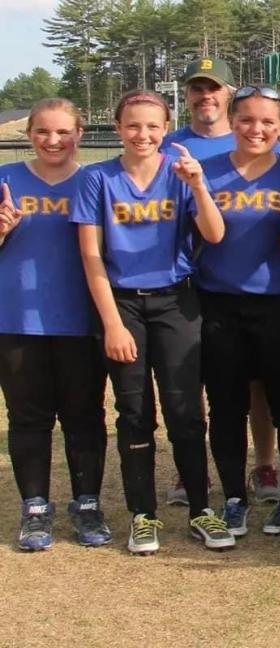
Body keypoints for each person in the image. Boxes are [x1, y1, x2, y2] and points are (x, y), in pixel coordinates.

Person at [71, 89, 233, 554]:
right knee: (135, 413)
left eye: (153, 126)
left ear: (167, 129)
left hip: (176, 302)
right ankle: (143, 515)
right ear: (118, 128)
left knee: (185, 412)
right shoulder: (97, 178)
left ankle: (202, 509)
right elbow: (91, 255)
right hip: (121, 305)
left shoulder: (180, 173)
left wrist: (199, 184)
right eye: (133, 125)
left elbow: (215, 233)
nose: (143, 134)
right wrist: (113, 323)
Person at [196, 85, 280, 538]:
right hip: (218, 302)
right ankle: (233, 497)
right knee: (227, 406)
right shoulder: (203, 172)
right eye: (246, 119)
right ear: (231, 121)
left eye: (268, 121)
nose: (257, 129)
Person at [162, 56, 280, 505]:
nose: (205, 96)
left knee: (257, 387)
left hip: (262, 288)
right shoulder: (171, 146)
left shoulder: (265, 145)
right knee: (196, 381)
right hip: (195, 282)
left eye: (214, 88)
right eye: (197, 88)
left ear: (229, 96)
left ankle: (264, 463)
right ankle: (187, 469)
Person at [0, 98, 109, 551]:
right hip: (17, 319)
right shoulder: (6, 179)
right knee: (28, 418)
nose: (52, 140)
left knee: (85, 416)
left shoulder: (96, 180)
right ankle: (36, 508)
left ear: (79, 134)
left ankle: (86, 504)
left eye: (63, 132)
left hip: (82, 320)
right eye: (43, 131)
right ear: (29, 135)